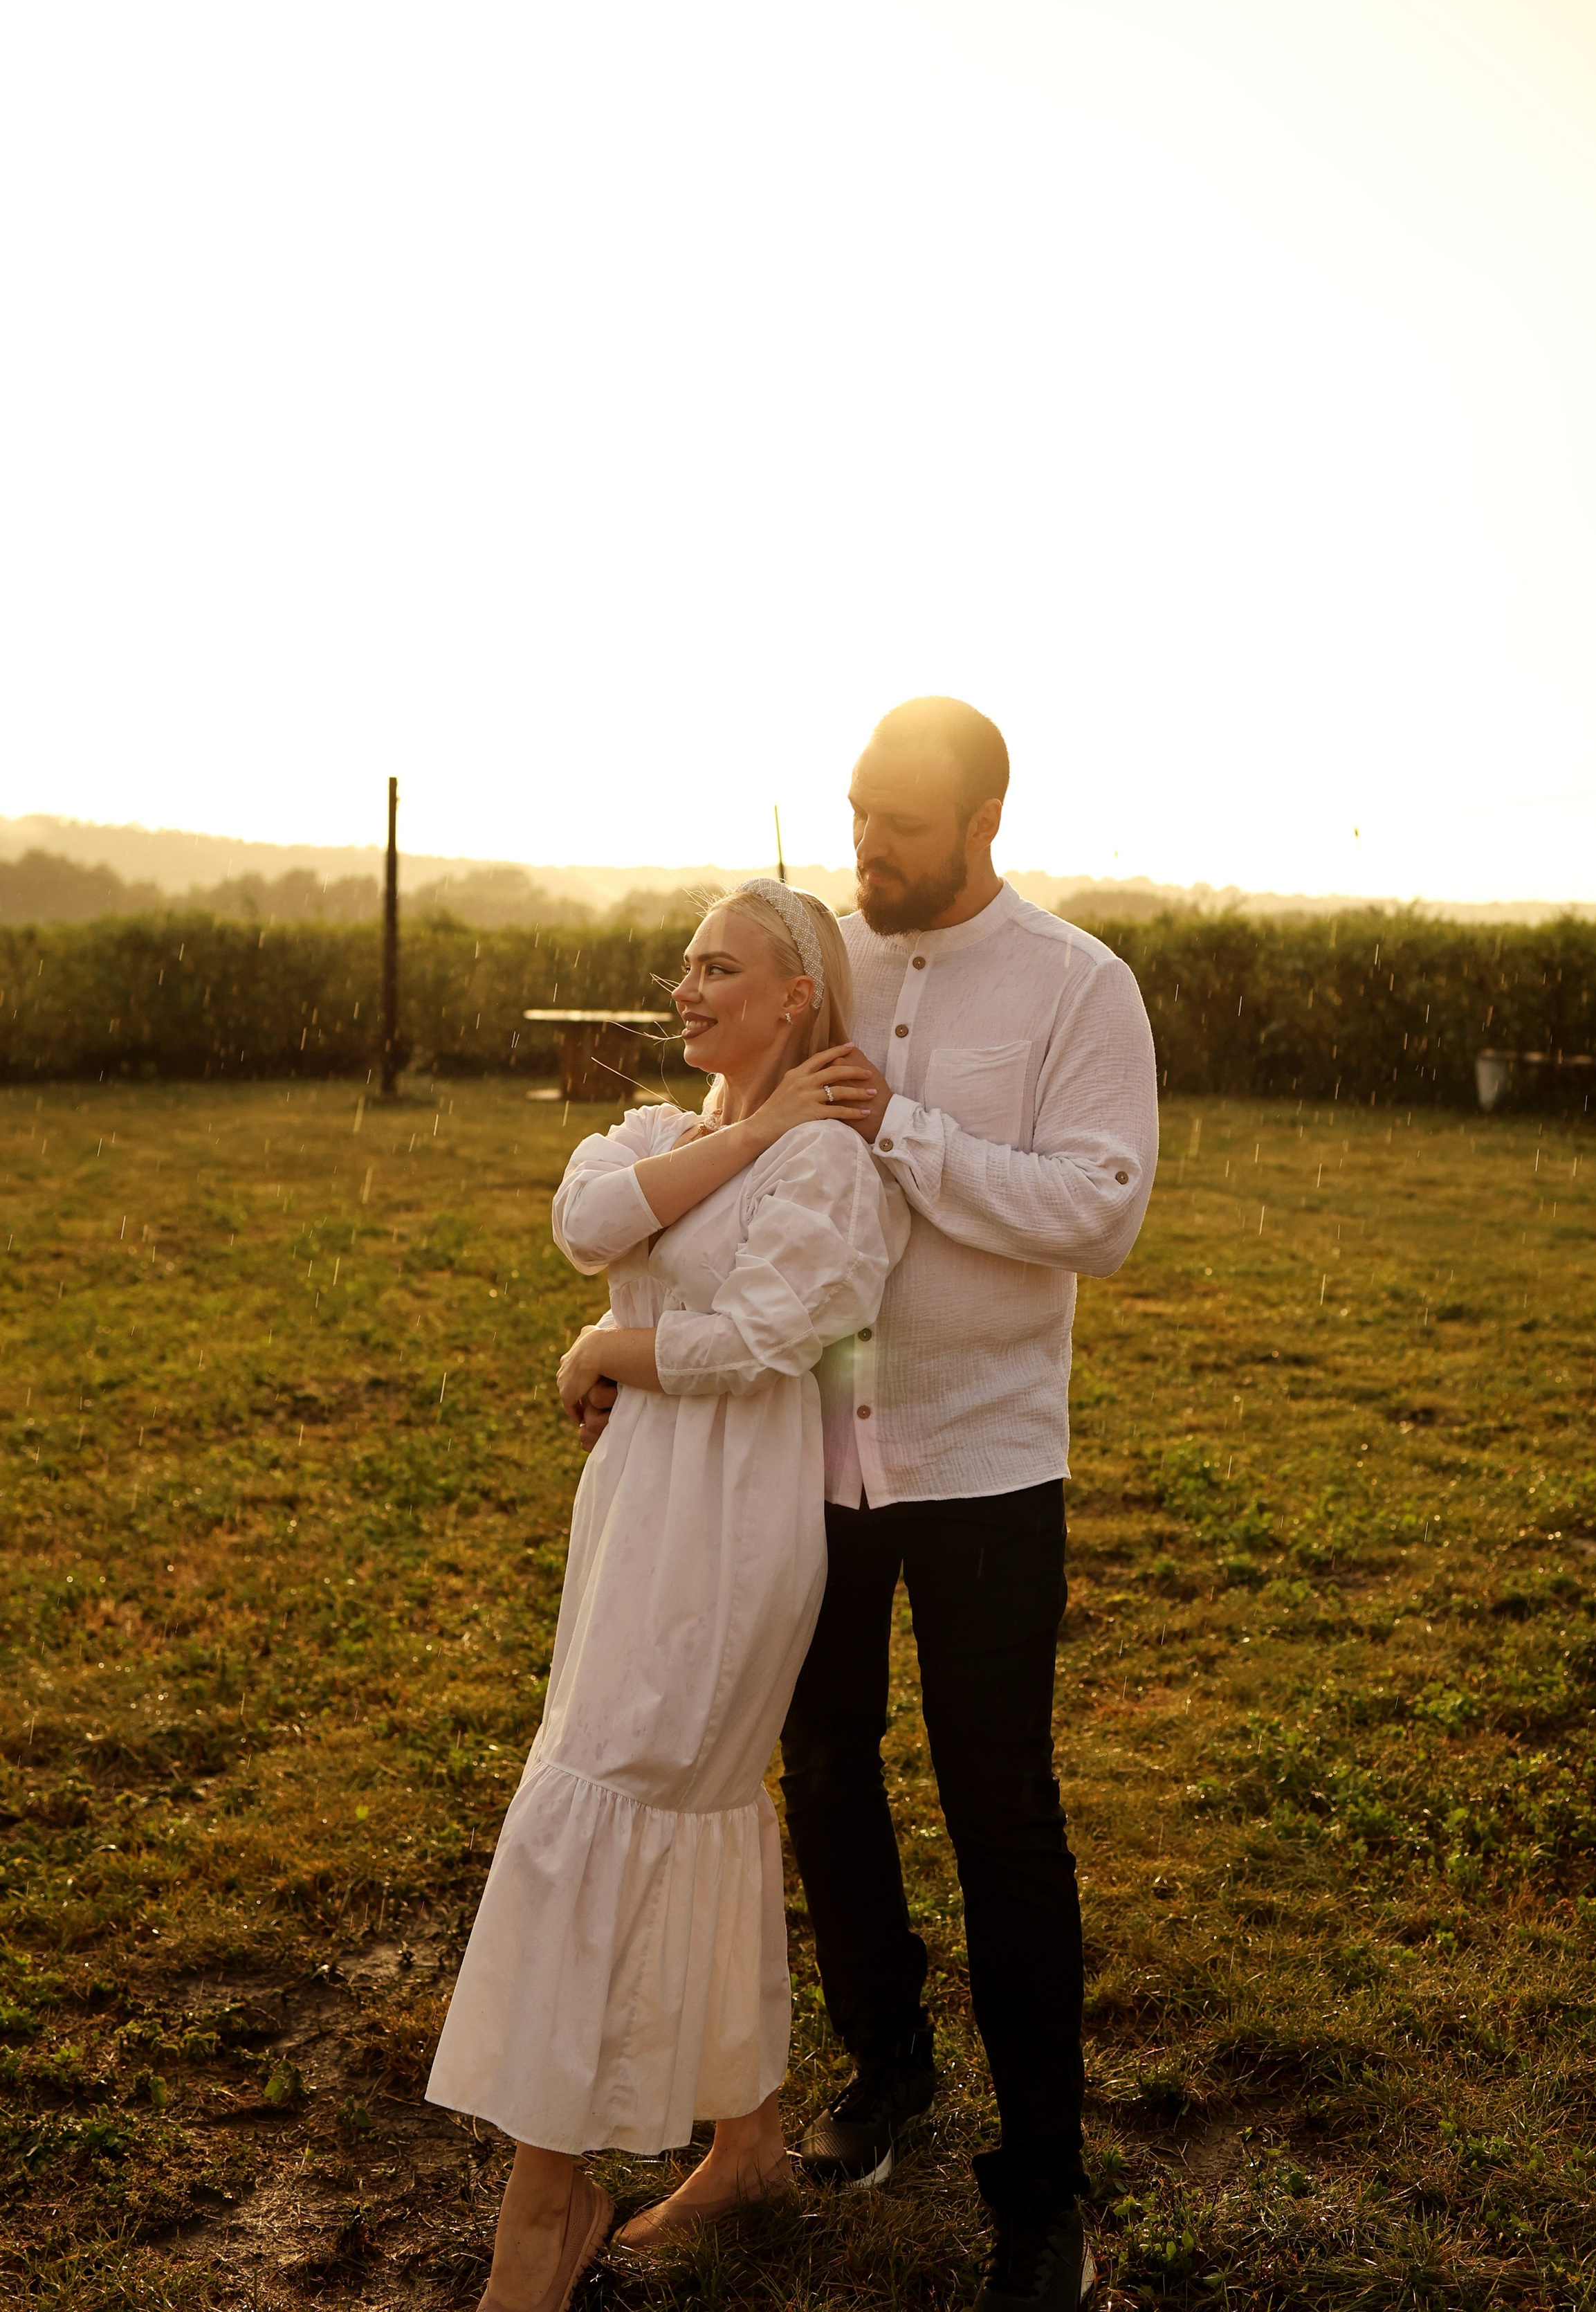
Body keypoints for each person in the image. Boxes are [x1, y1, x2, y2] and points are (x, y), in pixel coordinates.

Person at [425, 880, 906, 2312]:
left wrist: (610, 1351)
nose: (686, 990)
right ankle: (745, 2139)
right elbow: (585, 1218)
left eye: (720, 969)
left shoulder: (828, 1174)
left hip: (732, 1525)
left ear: (793, 1000)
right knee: (656, 1802)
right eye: (684, 965)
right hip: (634, 1511)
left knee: (624, 1791)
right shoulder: (667, 1132)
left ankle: (545, 2203)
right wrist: (744, 1131)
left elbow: (770, 1338)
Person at [787, 697, 1159, 2311]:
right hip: (821, 1442)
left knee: (998, 1812)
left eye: (900, 824)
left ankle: (1042, 2188)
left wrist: (913, 1135)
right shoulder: (826, 963)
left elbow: (1099, 1212)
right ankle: (885, 2068)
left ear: (981, 826)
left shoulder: (1080, 987)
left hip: (993, 1460)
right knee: (818, 1761)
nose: (866, 845)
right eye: (858, 810)